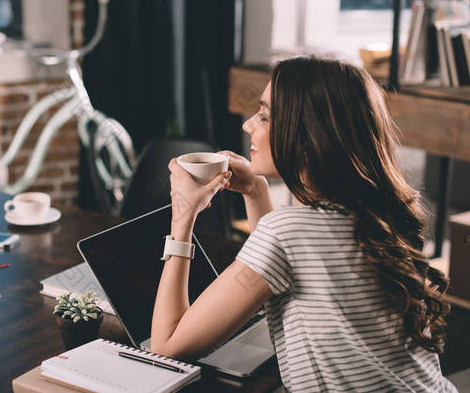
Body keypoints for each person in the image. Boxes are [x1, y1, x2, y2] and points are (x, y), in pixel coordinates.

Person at [150, 56, 457, 392]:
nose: (248, 124)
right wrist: (255, 190)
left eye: (265, 116)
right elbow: (287, 263)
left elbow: (167, 346)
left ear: (308, 139)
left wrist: (182, 218)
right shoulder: (379, 211)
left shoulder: (287, 233)